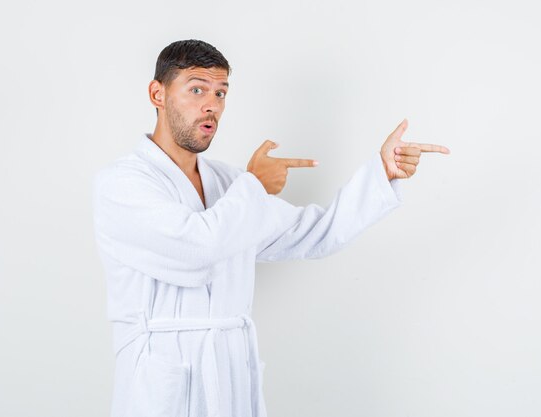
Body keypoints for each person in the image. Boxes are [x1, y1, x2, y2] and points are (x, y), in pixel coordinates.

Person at [92, 39, 449, 417]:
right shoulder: (122, 184)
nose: (212, 104)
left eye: (221, 92)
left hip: (231, 371)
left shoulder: (229, 184)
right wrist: (255, 186)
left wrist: (380, 174)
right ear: (157, 93)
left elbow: (315, 233)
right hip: (162, 378)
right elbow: (197, 251)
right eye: (196, 89)